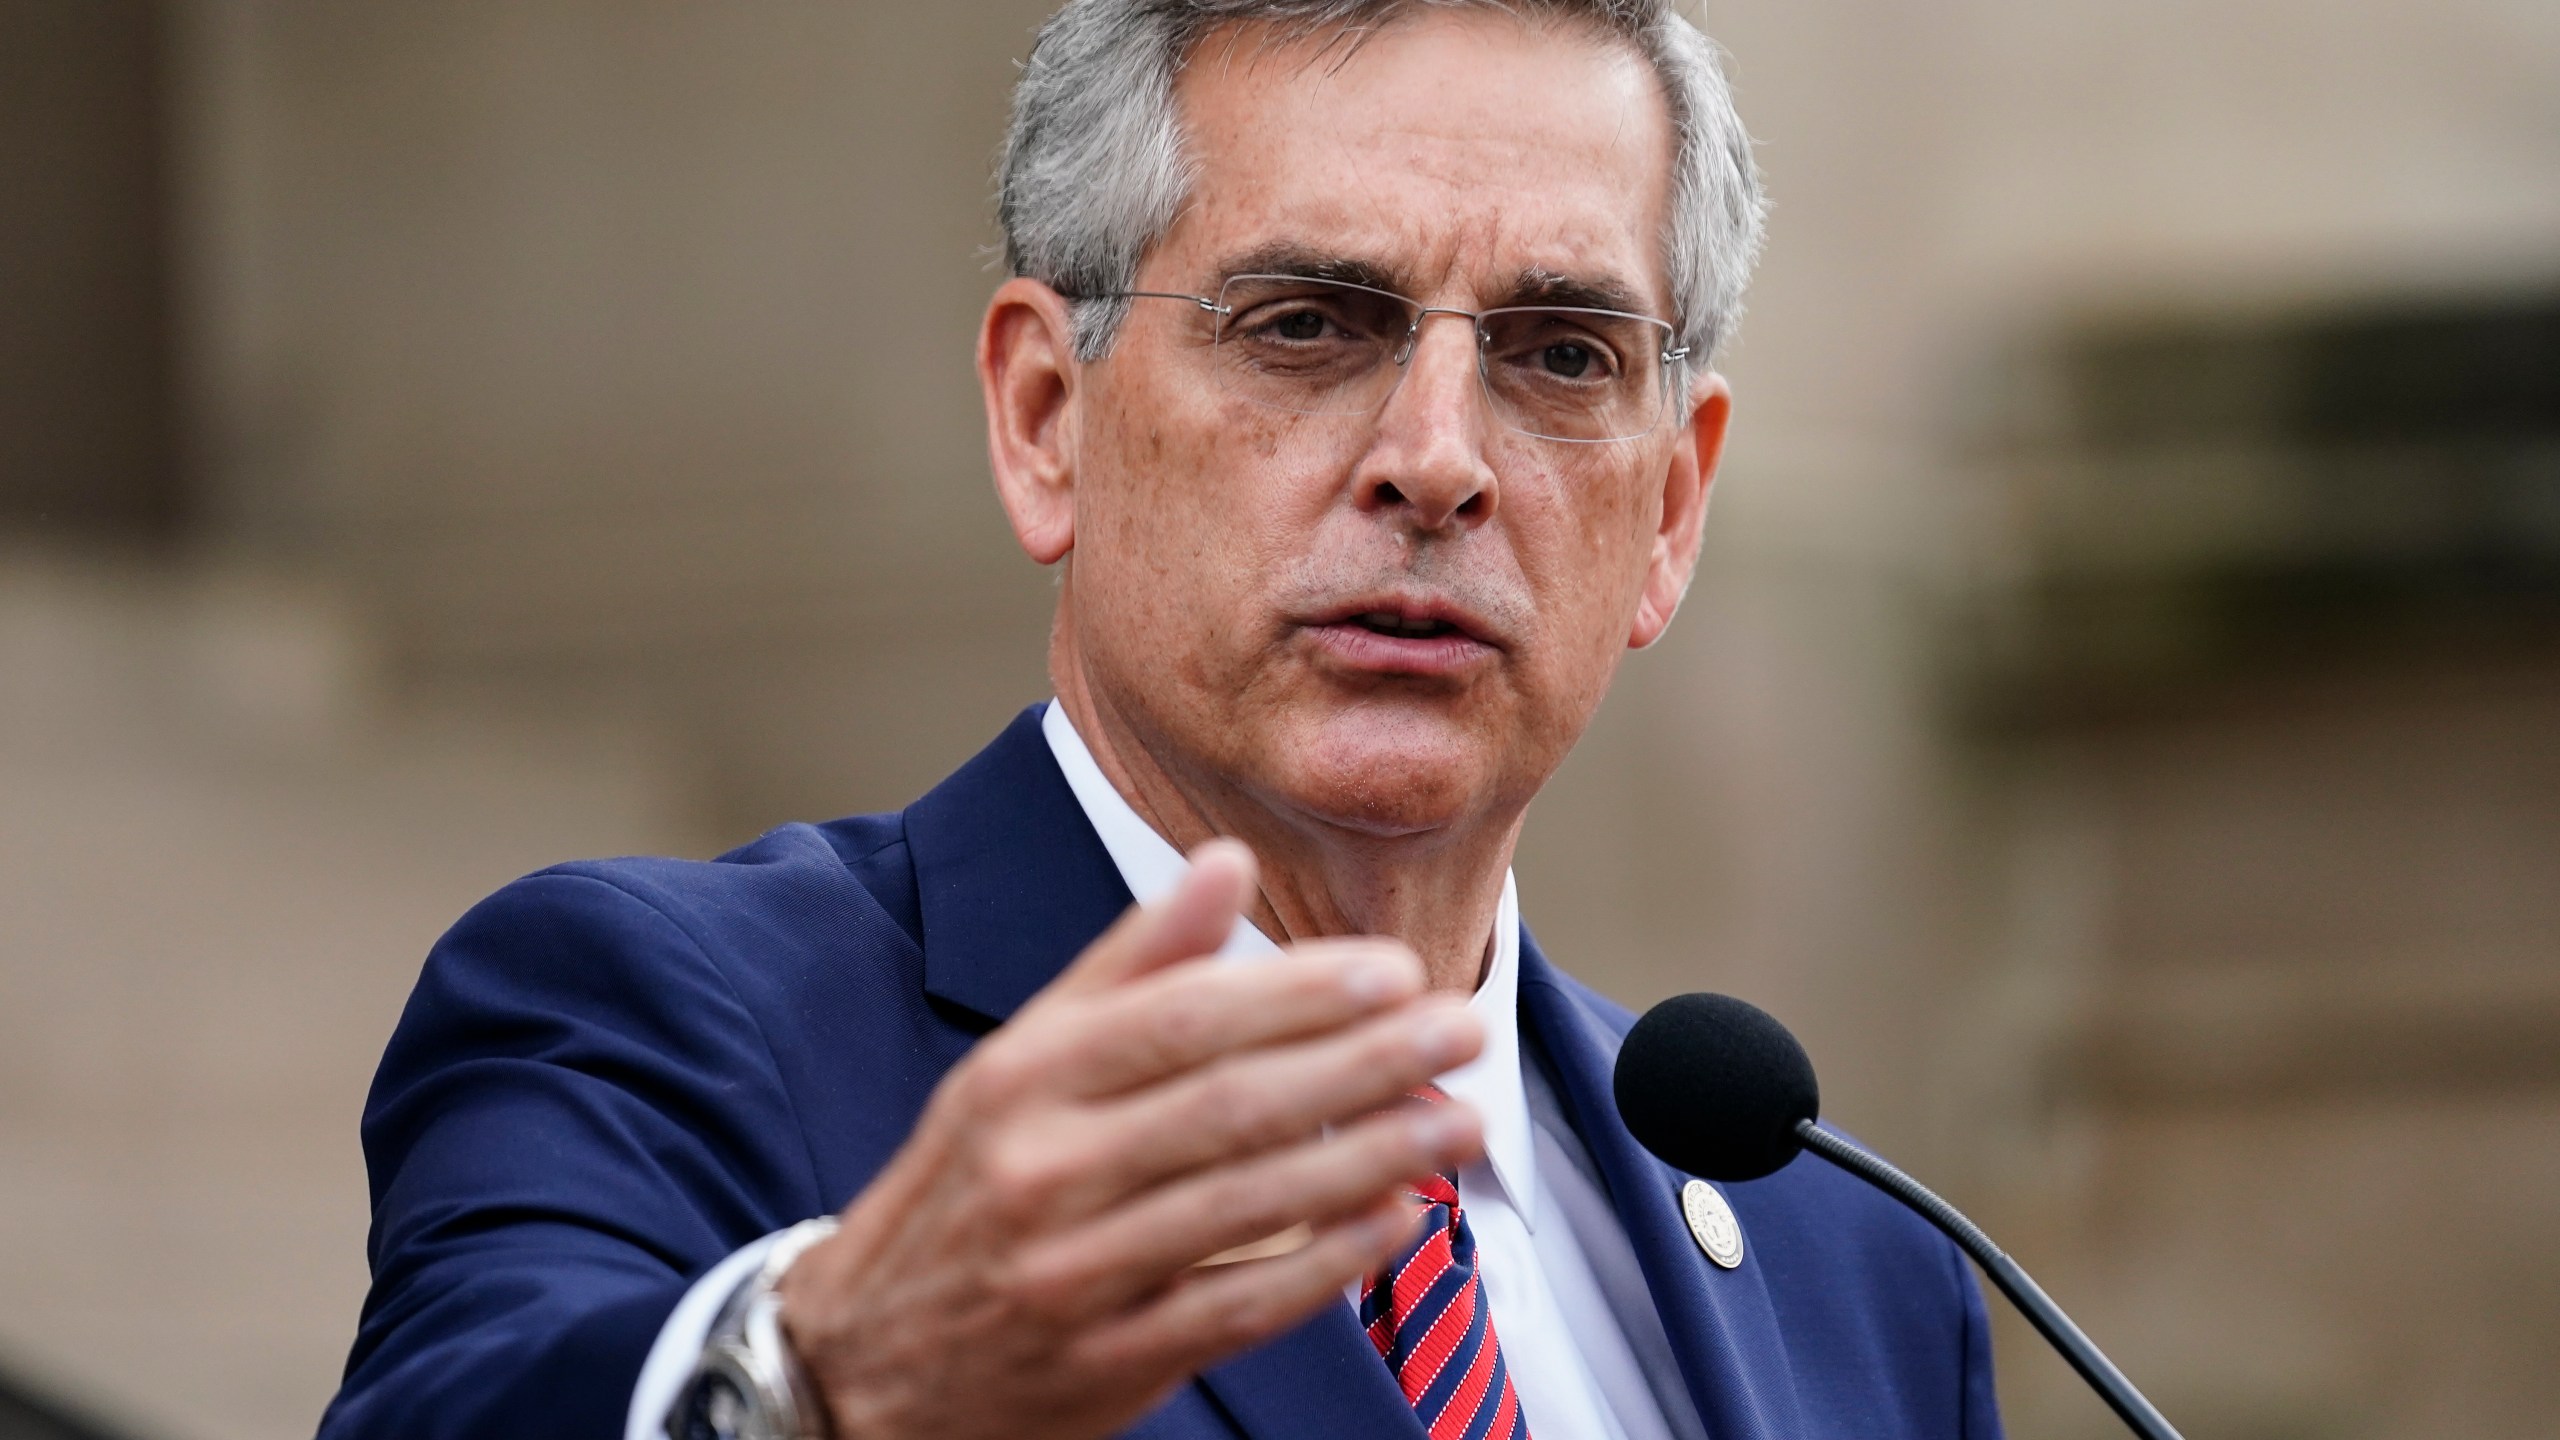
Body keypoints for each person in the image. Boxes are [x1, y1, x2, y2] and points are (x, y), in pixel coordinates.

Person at [319, 2, 2002, 1438]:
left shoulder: (1857, 1266)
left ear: (1675, 513)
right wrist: (818, 1381)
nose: (1439, 457)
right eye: (1306, 325)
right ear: (1048, 418)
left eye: (1561, 355)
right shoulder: (669, 1022)